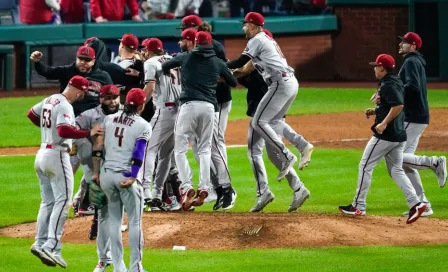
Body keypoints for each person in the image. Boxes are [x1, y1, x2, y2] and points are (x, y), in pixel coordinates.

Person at [227, 12, 313, 209]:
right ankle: (297, 187)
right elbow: (243, 70)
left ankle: (279, 168)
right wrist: (225, 73)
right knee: (264, 149)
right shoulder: (265, 45)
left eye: (246, 24)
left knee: (258, 135)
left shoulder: (258, 40)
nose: (243, 28)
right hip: (285, 85)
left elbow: (241, 65)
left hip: (277, 88)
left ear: (255, 26)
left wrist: (221, 69)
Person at [339, 54, 427, 225]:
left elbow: (399, 105)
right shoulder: (395, 81)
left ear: (382, 68)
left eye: (376, 66)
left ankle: (358, 206)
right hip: (399, 135)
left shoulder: (388, 84)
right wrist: (376, 110)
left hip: (387, 135)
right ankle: (416, 203)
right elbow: (393, 103)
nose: (374, 68)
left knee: (365, 166)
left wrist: (384, 122)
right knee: (396, 170)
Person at [27, 75, 104, 268]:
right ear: (78, 91)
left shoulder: (49, 99)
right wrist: (88, 133)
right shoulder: (65, 105)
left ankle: (39, 241)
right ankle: (51, 245)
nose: (82, 97)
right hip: (57, 155)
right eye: (83, 93)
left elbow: (31, 114)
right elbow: (63, 131)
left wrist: (47, 130)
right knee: (63, 201)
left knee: (48, 201)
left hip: (41, 154)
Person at [162, 31, 237, 211]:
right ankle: (204, 186)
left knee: (180, 149)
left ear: (195, 42)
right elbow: (233, 82)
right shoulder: (217, 62)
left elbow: (165, 66)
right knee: (205, 150)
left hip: (188, 106)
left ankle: (187, 186)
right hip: (209, 108)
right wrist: (215, 77)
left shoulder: (185, 57)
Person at [92, 88, 151, 272]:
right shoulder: (143, 125)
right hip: (126, 177)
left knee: (114, 222)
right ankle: (136, 268)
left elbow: (98, 146)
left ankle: (118, 267)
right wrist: (133, 175)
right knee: (134, 222)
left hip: (107, 175)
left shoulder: (109, 119)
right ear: (142, 105)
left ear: (125, 102)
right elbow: (139, 152)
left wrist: (96, 172)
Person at [70, 85, 120, 272]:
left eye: (115, 97)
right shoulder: (89, 115)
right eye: (108, 98)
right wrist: (86, 147)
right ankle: (104, 259)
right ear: (100, 99)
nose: (112, 101)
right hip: (98, 168)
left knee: (124, 215)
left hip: (120, 169)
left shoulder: (126, 116)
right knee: (104, 213)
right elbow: (70, 131)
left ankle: (126, 262)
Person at [396, 32, 446, 216]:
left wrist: (394, 90)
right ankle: (423, 204)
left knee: (397, 157)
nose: (401, 44)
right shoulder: (415, 61)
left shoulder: (410, 61)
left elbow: (413, 86)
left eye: (405, 42)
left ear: (414, 46)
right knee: (405, 163)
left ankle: (434, 162)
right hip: (417, 116)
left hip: (413, 117)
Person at [137, 37, 182, 211]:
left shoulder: (150, 62)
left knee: (148, 149)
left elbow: (149, 88)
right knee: (165, 155)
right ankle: (157, 193)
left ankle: (146, 191)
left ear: (148, 50)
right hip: (179, 112)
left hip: (164, 111)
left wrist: (137, 105)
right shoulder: (174, 59)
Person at [30, 45, 113, 117]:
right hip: (70, 114)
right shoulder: (67, 71)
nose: (83, 62)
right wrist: (37, 63)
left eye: (87, 60)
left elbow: (112, 94)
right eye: (80, 59)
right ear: (76, 58)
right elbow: (47, 71)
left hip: (94, 116)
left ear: (93, 61)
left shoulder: (103, 76)